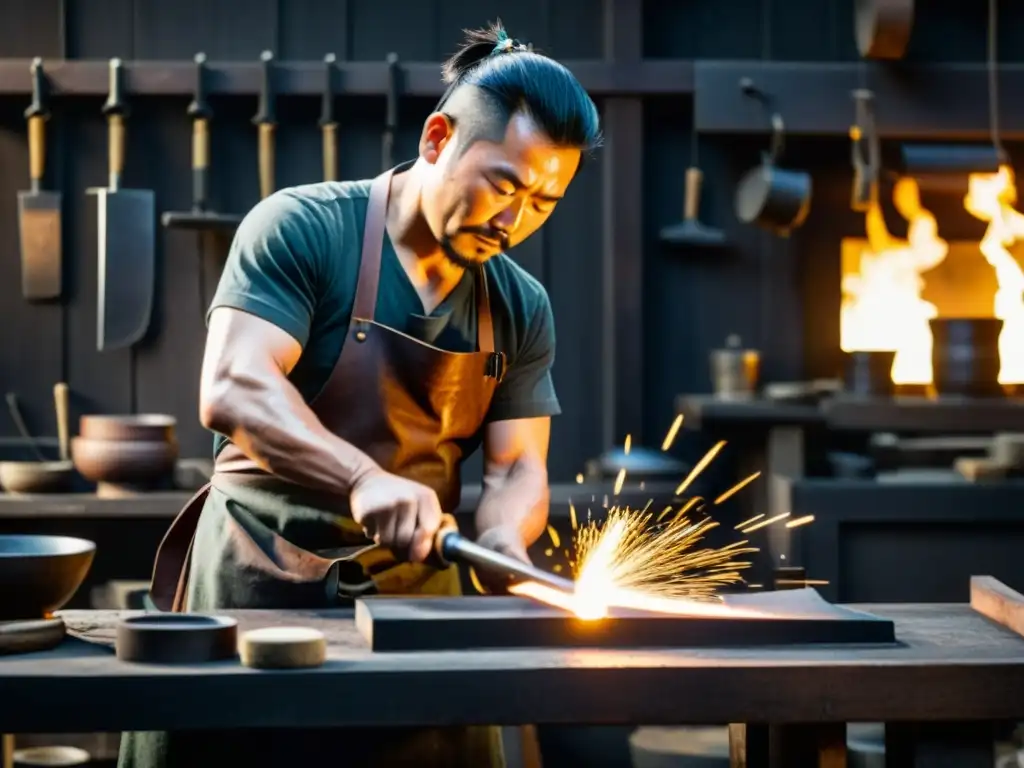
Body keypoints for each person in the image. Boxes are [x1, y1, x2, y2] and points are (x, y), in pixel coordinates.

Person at [118, 20, 601, 768]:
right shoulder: (303, 229)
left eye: (543, 202)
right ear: (438, 138)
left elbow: (516, 469)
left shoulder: (519, 305)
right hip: (256, 582)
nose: (515, 220)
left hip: (416, 604)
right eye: (504, 186)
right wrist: (362, 479)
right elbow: (233, 387)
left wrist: (505, 537)